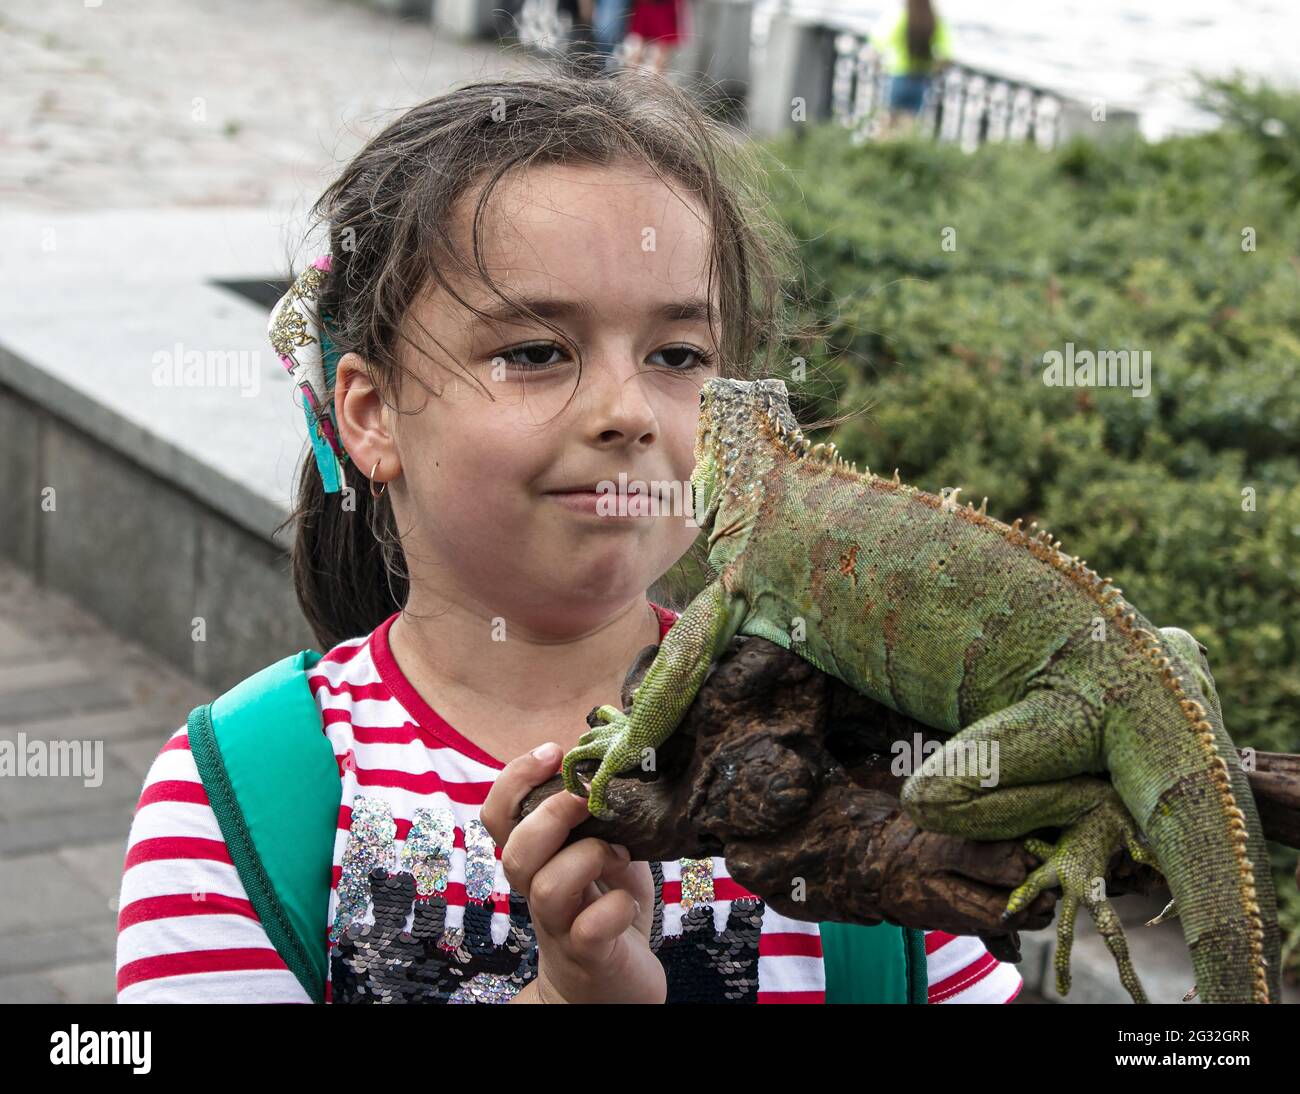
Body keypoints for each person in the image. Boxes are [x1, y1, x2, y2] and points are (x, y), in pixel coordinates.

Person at [113, 69, 1021, 1004]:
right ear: (373, 413)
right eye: (535, 353)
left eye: (678, 357)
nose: (627, 411)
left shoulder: (854, 752)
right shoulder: (247, 796)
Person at [872, 0, 954, 133]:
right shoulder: (934, 20)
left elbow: (878, 41)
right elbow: (947, 55)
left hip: (898, 76)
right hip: (920, 80)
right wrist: (931, 69)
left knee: (888, 127)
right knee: (907, 127)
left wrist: (880, 65)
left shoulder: (901, 17)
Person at [624, 0, 688, 75]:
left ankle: (654, 81)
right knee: (635, 48)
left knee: (660, 51)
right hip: (646, 6)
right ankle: (631, 80)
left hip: (664, 7)